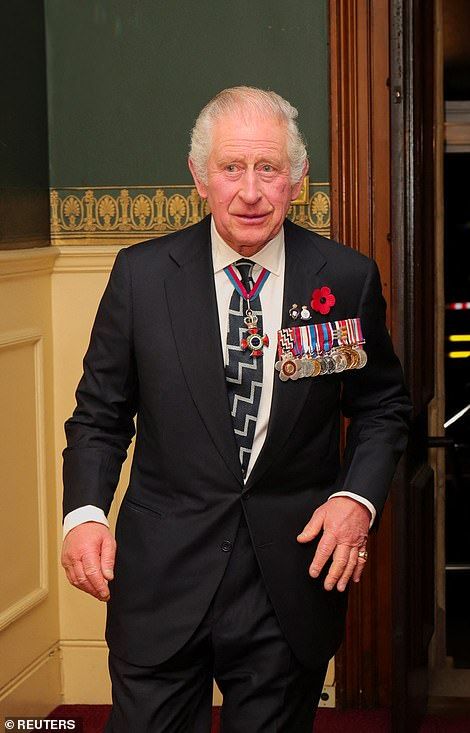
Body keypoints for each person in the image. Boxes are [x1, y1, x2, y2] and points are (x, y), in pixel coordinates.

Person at [61, 86, 412, 732]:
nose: (250, 191)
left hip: (288, 586)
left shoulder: (345, 280)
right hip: (162, 579)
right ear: (199, 177)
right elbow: (100, 414)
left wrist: (356, 500)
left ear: (298, 179)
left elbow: (382, 406)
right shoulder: (140, 278)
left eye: (269, 168)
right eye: (232, 168)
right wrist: (83, 513)